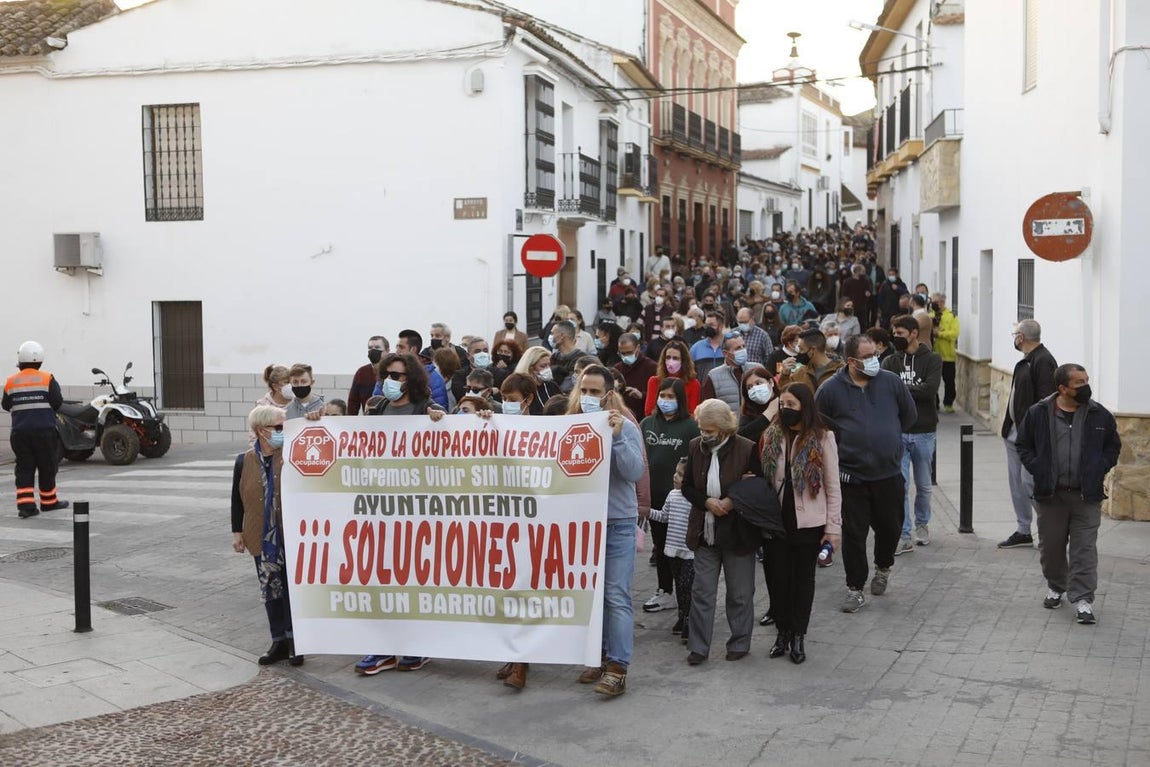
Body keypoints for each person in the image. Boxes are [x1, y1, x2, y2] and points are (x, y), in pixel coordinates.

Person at [356, 354, 444, 675]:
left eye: (400, 376)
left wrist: (442, 421)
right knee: (382, 580)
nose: (393, 380)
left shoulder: (426, 409)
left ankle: (415, 646)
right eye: (389, 375)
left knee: (415, 581)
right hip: (381, 511)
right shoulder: (377, 408)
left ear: (414, 379)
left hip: (418, 512)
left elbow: (453, 442)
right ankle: (383, 647)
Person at [815, 335, 916, 613]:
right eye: (868, 356)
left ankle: (883, 567)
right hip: (851, 478)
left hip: (889, 474)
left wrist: (889, 439)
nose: (875, 360)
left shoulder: (891, 382)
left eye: (876, 354)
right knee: (854, 536)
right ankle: (855, 588)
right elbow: (818, 427)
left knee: (890, 529)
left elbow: (909, 416)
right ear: (851, 361)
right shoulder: (830, 390)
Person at [1016, 364, 1120, 625]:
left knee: (1084, 550)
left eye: (1086, 380)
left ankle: (1083, 599)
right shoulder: (1039, 413)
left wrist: (1100, 467)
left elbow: (1113, 446)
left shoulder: (1099, 415)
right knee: (1051, 548)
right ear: (1062, 388)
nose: (1086, 386)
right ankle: (1056, 585)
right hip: (1051, 496)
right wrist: (1038, 467)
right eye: (1079, 383)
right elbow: (1023, 444)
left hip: (1087, 496)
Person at [568, 365, 645, 697]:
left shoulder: (624, 426)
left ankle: (617, 666)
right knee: (592, 595)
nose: (588, 397)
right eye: (584, 390)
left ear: (609, 393)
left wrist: (615, 439)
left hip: (617, 523)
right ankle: (597, 656)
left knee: (616, 595)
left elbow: (633, 471)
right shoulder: (570, 424)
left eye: (595, 392)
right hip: (584, 522)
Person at [761, 383, 842, 664]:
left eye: (791, 405)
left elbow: (832, 487)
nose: (786, 410)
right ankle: (782, 632)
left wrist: (833, 529)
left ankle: (798, 635)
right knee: (778, 580)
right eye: (782, 405)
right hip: (776, 520)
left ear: (804, 407)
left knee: (802, 581)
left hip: (808, 522)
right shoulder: (772, 434)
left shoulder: (822, 437)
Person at [680, 400, 762, 665]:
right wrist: (706, 502)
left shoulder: (747, 448)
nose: (705, 434)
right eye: (702, 428)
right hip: (705, 531)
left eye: (710, 430)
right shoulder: (695, 447)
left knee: (739, 592)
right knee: (702, 591)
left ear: (724, 428)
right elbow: (688, 487)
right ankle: (698, 647)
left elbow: (757, 486)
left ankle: (739, 642)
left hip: (737, 532)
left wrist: (730, 500)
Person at [230, 405, 301, 666]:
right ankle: (278, 640)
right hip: (260, 535)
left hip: (290, 534)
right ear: (261, 430)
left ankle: (296, 642)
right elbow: (237, 499)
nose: (284, 431)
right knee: (270, 589)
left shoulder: (292, 456)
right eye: (279, 427)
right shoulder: (244, 460)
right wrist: (237, 531)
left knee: (292, 589)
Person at [639, 378, 700, 620]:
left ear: (680, 400)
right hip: (654, 500)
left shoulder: (690, 427)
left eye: (671, 397)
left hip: (681, 502)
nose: (665, 401)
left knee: (681, 551)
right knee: (661, 547)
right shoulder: (646, 424)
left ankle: (687, 595)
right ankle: (665, 590)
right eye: (662, 396)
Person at [883, 316, 943, 554]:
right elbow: (886, 391)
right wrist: (907, 390)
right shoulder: (890, 360)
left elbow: (930, 391)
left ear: (914, 333)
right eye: (894, 331)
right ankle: (904, 534)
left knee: (924, 484)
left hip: (924, 431)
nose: (895, 336)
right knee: (901, 485)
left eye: (899, 332)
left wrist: (900, 388)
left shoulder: (933, 359)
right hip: (898, 431)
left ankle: (922, 523)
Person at [999, 319, 1058, 550]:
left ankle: (1053, 527)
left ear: (1021, 337)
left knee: (1028, 481)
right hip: (1014, 431)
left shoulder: (1043, 361)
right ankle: (1023, 530)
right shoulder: (1026, 361)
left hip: (1030, 435)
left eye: (1015, 334)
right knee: (1016, 483)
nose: (1014, 338)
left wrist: (1035, 434)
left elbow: (1046, 401)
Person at [3, 341, 67, 518]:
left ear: (20, 361)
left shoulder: (10, 382)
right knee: (47, 465)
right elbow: (57, 402)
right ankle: (49, 502)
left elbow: (6, 405)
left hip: (20, 432)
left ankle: (26, 507)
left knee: (24, 468)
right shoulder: (47, 379)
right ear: (40, 361)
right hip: (44, 431)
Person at [778, 328, 844, 393]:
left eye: (802, 349)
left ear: (812, 350)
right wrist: (785, 375)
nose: (798, 353)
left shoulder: (841, 371)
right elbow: (787, 394)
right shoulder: (800, 373)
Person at [646, 340, 701, 417]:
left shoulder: (693, 384)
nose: (670, 361)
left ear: (683, 361)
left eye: (675, 358)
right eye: (668, 357)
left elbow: (693, 414)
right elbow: (648, 412)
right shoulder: (654, 381)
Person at [613, 333, 658, 422]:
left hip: (643, 417)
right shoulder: (616, 369)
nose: (626, 356)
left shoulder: (652, 367)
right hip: (621, 417)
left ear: (638, 348)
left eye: (629, 352)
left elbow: (659, 395)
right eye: (623, 353)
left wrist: (642, 395)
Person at [699, 331, 747, 413]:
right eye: (738, 348)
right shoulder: (714, 376)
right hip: (727, 425)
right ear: (725, 353)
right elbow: (708, 409)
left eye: (744, 346)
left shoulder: (756, 368)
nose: (743, 350)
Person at [932, 293, 960, 412]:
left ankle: (948, 403)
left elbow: (954, 333)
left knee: (949, 381)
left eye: (936, 302)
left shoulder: (951, 316)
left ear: (942, 302)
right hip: (933, 355)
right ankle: (935, 403)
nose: (934, 304)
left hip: (947, 356)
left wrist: (940, 334)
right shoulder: (929, 315)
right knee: (933, 381)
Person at [347, 336, 388, 415]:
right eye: (370, 348)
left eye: (377, 347)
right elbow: (353, 401)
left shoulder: (394, 371)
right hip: (369, 421)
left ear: (387, 350)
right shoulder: (361, 372)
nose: (373, 350)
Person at [736, 366, 777, 445]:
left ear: (771, 382)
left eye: (758, 383)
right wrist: (768, 414)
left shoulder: (784, 402)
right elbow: (741, 436)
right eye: (749, 387)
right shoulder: (748, 411)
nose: (755, 389)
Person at [515, 346, 562, 415]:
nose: (548, 369)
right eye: (543, 366)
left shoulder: (552, 386)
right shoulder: (521, 389)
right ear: (531, 368)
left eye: (549, 365)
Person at [689, 311, 726, 380]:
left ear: (721, 326)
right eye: (706, 325)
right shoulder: (696, 348)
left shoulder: (729, 345)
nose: (708, 328)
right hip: (704, 389)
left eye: (711, 325)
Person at [840, 265, 873, 329]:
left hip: (862, 306)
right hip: (851, 306)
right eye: (862, 271)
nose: (863, 273)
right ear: (857, 272)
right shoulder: (848, 282)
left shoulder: (865, 281)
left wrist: (868, 293)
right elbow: (844, 294)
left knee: (862, 323)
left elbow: (868, 291)